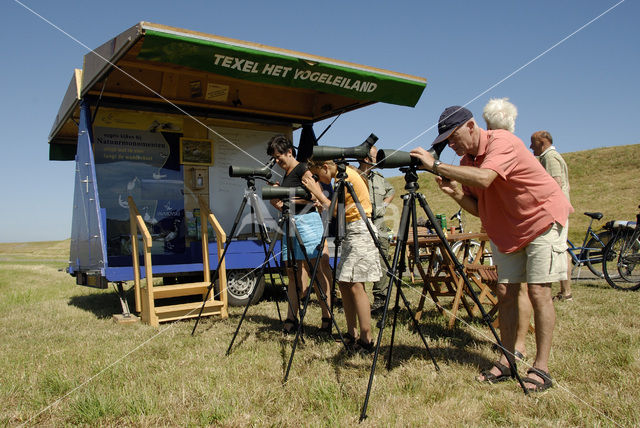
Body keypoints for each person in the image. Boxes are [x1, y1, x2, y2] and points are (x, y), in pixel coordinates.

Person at [410, 106, 573, 392]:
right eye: (446, 141)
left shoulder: (502, 142)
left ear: (471, 126)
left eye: (453, 136)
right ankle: (509, 359)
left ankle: (542, 367)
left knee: (538, 291)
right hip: (509, 229)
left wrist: (433, 165)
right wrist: (458, 194)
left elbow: (486, 178)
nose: (451, 144)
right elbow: (479, 209)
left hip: (542, 219)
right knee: (504, 291)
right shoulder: (466, 161)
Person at [303, 158, 382, 353]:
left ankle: (366, 339)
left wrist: (317, 193)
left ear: (324, 167)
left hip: (359, 230)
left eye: (317, 174)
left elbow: (339, 210)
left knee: (356, 285)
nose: (319, 180)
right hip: (350, 230)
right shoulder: (340, 175)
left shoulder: (343, 177)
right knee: (344, 282)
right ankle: (351, 333)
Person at [266, 135, 333, 335]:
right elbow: (290, 202)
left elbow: (316, 197)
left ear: (289, 152)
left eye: (279, 157)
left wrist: (286, 195)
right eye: (274, 158)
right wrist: (277, 201)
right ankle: (292, 318)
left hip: (308, 224)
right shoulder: (287, 174)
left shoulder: (303, 169)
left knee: (317, 272)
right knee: (292, 274)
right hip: (290, 224)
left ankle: (327, 318)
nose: (277, 161)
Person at [483, 97, 532, 363]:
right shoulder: (503, 144)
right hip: (504, 226)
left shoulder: (505, 146)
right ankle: (514, 345)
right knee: (513, 288)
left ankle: (517, 345)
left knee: (517, 288)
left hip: (520, 224)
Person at [531, 130, 573, 301]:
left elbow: (556, 183)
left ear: (542, 142)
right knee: (562, 250)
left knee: (561, 250)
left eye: (533, 142)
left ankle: (566, 292)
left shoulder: (550, 157)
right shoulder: (549, 157)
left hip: (555, 212)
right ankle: (565, 291)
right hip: (558, 210)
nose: (530, 146)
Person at [357, 146, 395, 315]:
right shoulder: (354, 177)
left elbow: (391, 190)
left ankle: (380, 301)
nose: (379, 159)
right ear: (366, 158)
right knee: (361, 263)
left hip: (380, 227)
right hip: (361, 227)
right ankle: (359, 300)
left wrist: (384, 206)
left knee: (382, 262)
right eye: (375, 156)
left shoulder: (378, 177)